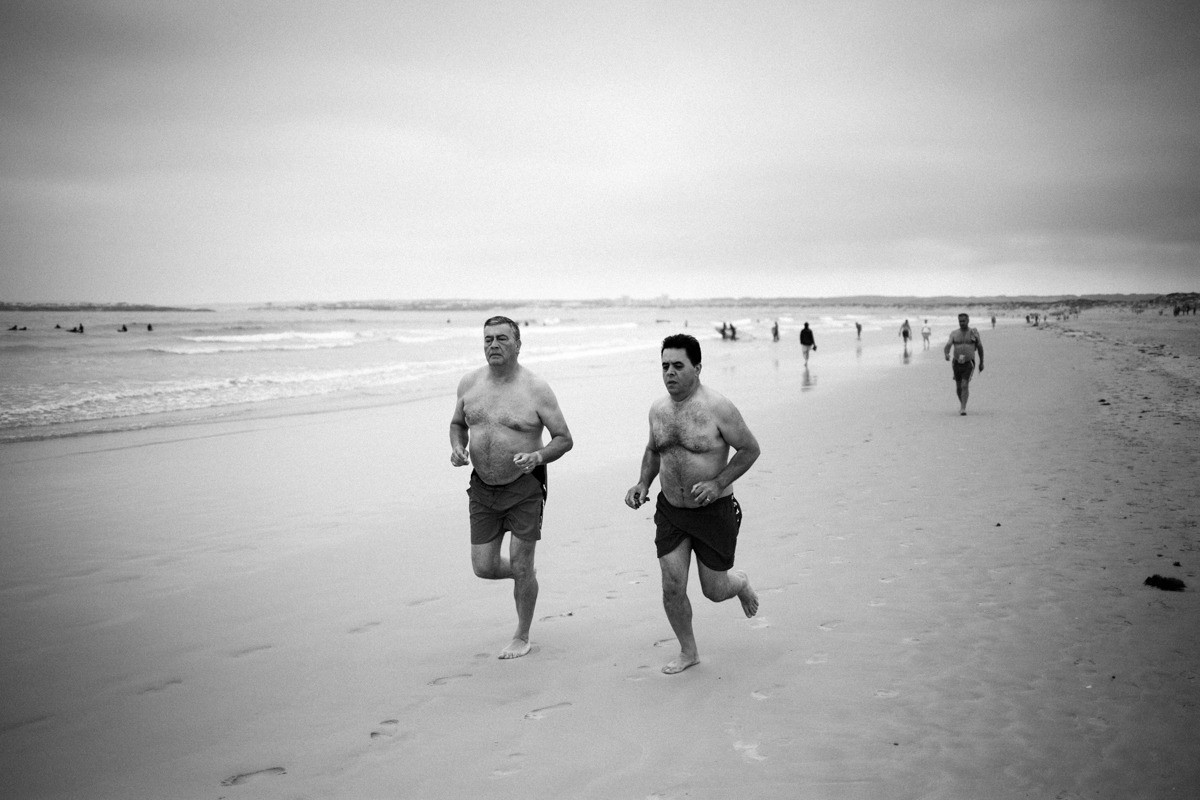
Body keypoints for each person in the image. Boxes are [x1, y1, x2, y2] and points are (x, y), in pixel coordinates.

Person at [625, 334, 760, 675]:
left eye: (678, 366)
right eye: (665, 366)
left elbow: (749, 449)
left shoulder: (718, 408)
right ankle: (688, 651)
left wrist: (718, 483)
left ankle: (739, 583)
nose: (669, 373)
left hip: (713, 512)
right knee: (672, 586)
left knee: (714, 590)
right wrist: (643, 482)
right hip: (671, 511)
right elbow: (654, 450)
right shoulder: (658, 410)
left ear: (697, 368)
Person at [450, 316, 574, 659]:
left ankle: (522, 635)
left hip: (524, 487)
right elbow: (458, 424)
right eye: (488, 338)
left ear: (518, 344)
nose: (493, 345)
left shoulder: (536, 389)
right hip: (483, 488)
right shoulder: (469, 383)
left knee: (521, 562)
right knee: (484, 567)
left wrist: (537, 456)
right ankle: (525, 575)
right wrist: (458, 447)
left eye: (502, 338)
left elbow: (564, 439)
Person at [943, 313, 984, 415]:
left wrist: (981, 362)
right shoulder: (954, 333)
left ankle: (963, 408)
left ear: (968, 321)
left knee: (964, 385)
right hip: (956, 363)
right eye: (960, 321)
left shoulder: (973, 333)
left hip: (969, 363)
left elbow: (980, 348)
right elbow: (947, 345)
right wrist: (946, 354)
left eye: (963, 321)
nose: (961, 323)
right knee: (958, 387)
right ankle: (963, 403)